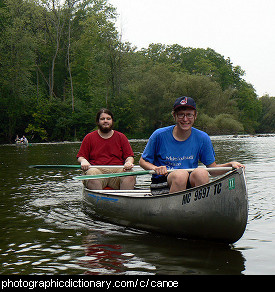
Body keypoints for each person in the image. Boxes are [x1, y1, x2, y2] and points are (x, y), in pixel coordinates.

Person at [139, 96, 245, 194]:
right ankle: (175, 211)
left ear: (195, 116)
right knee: (180, 175)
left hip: (189, 183)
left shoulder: (202, 138)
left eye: (189, 115)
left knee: (201, 173)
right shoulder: (159, 135)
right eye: (181, 115)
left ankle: (201, 208)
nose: (185, 119)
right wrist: (155, 168)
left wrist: (231, 164)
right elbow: (142, 161)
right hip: (162, 183)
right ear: (174, 116)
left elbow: (213, 170)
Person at [77, 108, 135, 190]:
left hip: (117, 172)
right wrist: (83, 161)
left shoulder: (121, 137)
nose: (105, 121)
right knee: (91, 173)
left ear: (112, 121)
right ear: (98, 122)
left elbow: (129, 156)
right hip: (97, 171)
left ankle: (125, 200)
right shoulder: (89, 137)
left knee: (130, 174)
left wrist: (129, 163)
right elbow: (81, 156)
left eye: (108, 119)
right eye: (102, 119)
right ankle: (98, 200)